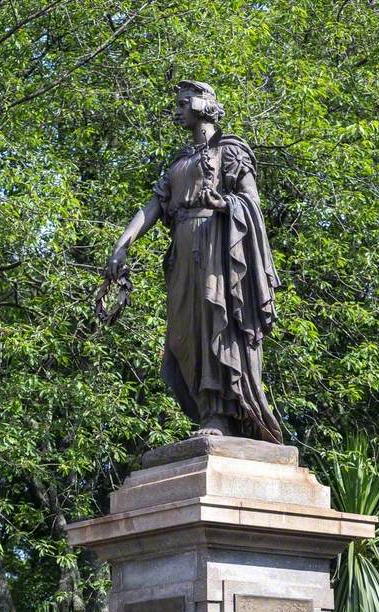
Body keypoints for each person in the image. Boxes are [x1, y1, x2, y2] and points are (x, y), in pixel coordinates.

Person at [105, 80, 282, 443]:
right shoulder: (179, 161)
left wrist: (223, 204)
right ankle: (205, 408)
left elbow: (251, 203)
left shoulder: (230, 151)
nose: (177, 109)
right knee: (184, 334)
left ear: (204, 105)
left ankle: (219, 412)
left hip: (218, 249)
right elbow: (154, 205)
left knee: (214, 324)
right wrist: (122, 245)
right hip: (183, 252)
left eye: (183, 102)